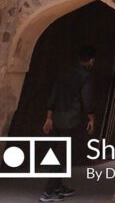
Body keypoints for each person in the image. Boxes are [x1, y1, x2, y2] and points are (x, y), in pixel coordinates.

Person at [39, 45, 97, 202]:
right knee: (61, 155)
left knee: (57, 152)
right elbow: (87, 99)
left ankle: (58, 186)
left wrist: (49, 117)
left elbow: (53, 95)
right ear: (91, 60)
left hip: (57, 118)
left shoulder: (64, 73)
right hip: (71, 120)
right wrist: (91, 118)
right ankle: (49, 192)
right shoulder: (85, 76)